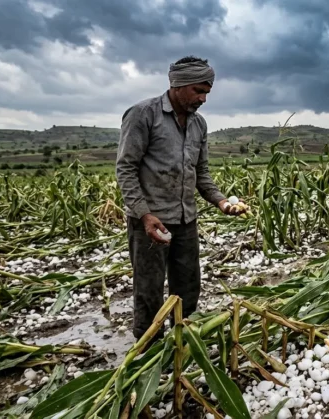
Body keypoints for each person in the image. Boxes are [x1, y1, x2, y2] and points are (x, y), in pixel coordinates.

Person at [115, 56, 244, 344]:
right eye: (199, 91)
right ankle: (147, 349)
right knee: (148, 288)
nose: (203, 98)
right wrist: (144, 215)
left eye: (207, 92)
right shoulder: (143, 115)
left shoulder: (199, 124)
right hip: (151, 221)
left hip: (186, 220)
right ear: (178, 85)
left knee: (187, 285)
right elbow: (125, 168)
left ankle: (183, 342)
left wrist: (222, 202)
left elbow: (201, 173)